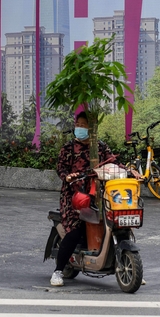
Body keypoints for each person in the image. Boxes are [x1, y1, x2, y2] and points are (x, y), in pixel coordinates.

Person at [51, 111, 120, 287]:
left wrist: (130, 171)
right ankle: (58, 271)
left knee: (118, 224)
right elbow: (61, 169)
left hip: (98, 194)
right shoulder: (68, 148)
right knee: (74, 230)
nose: (80, 128)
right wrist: (67, 177)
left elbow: (113, 163)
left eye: (84, 125)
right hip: (74, 196)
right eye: (78, 124)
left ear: (92, 129)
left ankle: (127, 266)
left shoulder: (100, 147)